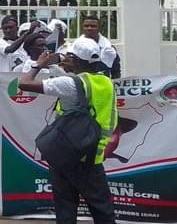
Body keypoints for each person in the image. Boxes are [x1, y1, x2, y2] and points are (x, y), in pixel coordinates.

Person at [18, 37, 117, 224]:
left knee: (66, 211)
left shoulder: (70, 83)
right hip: (93, 157)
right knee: (103, 212)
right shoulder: (107, 83)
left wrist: (38, 65)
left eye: (69, 56)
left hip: (67, 156)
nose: (65, 58)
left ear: (77, 60)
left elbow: (24, 83)